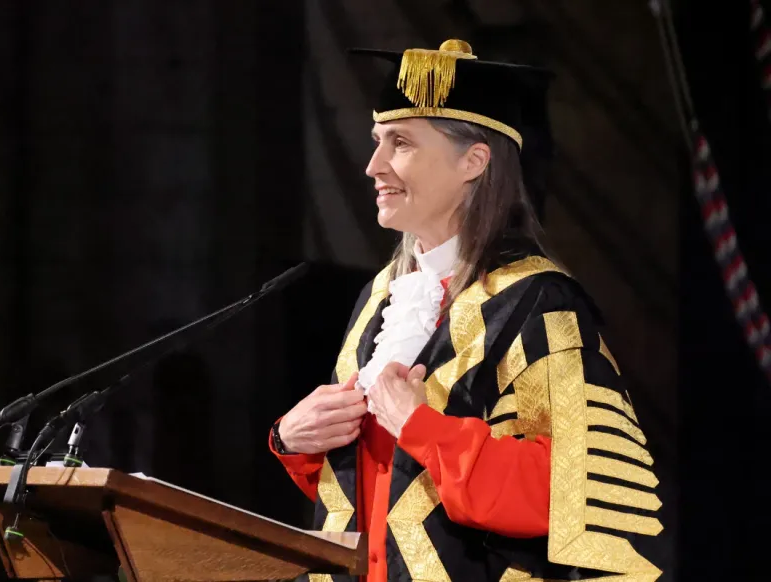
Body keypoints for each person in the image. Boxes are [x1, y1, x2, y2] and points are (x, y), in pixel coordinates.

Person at [270, 39, 663, 582]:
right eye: (376, 142)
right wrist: (296, 441)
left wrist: (421, 427)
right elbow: (381, 489)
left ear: (473, 161)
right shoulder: (381, 298)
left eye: (400, 143)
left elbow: (568, 494)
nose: (372, 166)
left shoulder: (537, 302)